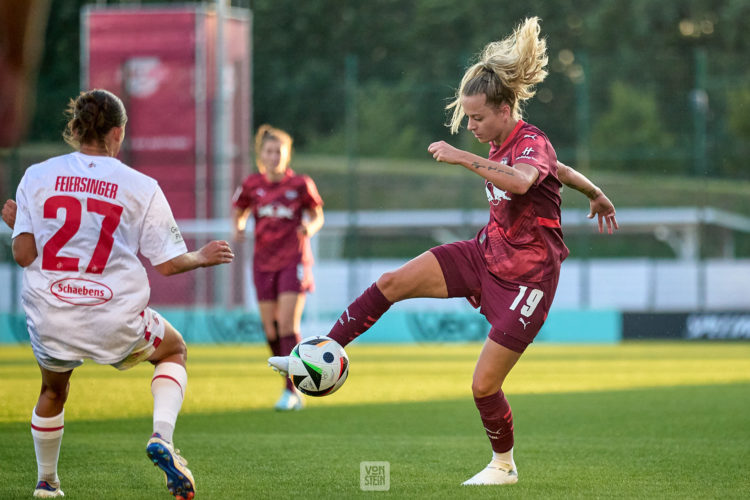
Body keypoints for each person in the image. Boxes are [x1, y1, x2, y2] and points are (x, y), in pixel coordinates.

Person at [269, 17, 618, 485]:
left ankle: (504, 465)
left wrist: (461, 159)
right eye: (467, 117)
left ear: (505, 108)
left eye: (477, 118)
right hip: (485, 254)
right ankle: (322, 350)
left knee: (483, 386)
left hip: (528, 279)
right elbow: (561, 169)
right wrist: (594, 192)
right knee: (392, 283)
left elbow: (522, 180)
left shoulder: (528, 141)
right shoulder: (501, 142)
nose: (469, 126)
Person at [1, 89, 234, 499]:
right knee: (174, 350)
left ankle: (46, 482)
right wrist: (200, 256)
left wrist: (21, 222)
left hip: (52, 313)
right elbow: (166, 263)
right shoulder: (140, 186)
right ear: (119, 133)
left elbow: (23, 256)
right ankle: (162, 437)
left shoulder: (36, 176)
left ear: (74, 129)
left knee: (53, 390)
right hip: (115, 316)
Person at [232, 125, 324, 410]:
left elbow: (317, 214)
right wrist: (239, 226)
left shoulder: (300, 185)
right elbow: (240, 210)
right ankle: (290, 377)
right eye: (269, 151)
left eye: (279, 152)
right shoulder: (251, 184)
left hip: (292, 261)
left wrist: (310, 226)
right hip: (262, 263)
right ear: (261, 155)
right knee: (270, 330)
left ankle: (292, 391)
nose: (274, 156)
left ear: (287, 156)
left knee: (286, 324)